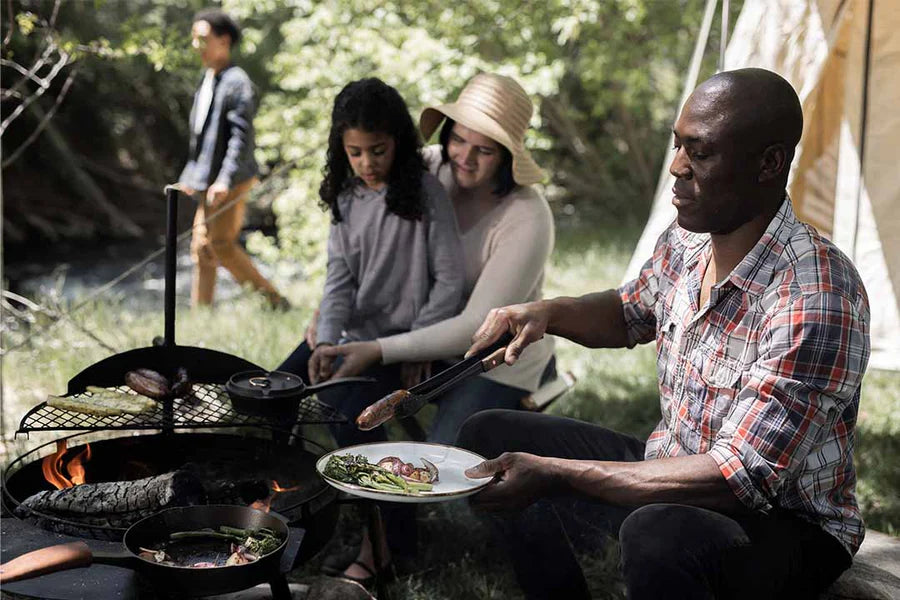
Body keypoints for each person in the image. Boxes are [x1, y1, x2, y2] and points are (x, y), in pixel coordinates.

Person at [457, 68, 870, 600]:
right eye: (678, 145)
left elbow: (737, 480)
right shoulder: (688, 238)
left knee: (657, 534)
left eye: (700, 153)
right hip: (671, 469)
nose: (676, 168)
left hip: (784, 525)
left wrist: (558, 472)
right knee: (488, 435)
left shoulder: (817, 295)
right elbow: (629, 312)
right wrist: (545, 312)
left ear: (768, 163)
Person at [311, 72, 557, 584]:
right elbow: (359, 240)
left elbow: (478, 326)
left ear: (509, 157)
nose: (463, 156)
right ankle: (378, 547)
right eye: (457, 138)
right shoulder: (423, 171)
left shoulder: (528, 217)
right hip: (418, 335)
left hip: (494, 357)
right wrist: (331, 319)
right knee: (350, 407)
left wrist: (381, 349)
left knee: (451, 468)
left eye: (484, 150)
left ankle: (565, 514)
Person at [276, 76, 464, 445]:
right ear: (341, 148)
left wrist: (418, 344)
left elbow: (450, 280)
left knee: (348, 415)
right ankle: (273, 487)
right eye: (355, 152)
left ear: (398, 141)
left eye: (378, 151)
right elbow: (339, 281)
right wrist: (326, 341)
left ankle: (389, 502)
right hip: (351, 333)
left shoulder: (427, 193)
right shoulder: (345, 198)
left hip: (402, 341)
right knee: (273, 391)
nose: (367, 163)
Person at [178, 9, 284, 308]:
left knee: (221, 244)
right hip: (209, 179)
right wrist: (191, 176)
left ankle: (274, 302)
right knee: (201, 247)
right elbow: (202, 136)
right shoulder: (207, 79)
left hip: (232, 177)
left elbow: (240, 138)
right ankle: (203, 314)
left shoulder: (237, 82)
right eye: (194, 39)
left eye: (202, 39)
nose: (196, 45)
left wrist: (224, 179)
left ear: (223, 41)